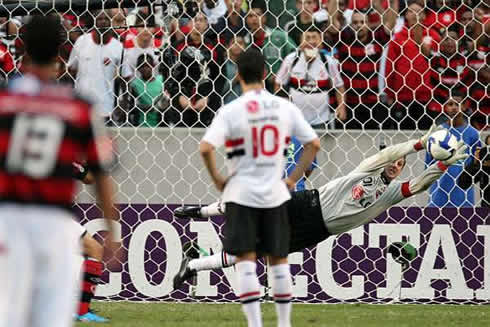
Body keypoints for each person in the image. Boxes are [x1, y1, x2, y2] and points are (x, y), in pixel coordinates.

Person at [173, 127, 468, 287]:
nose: (396, 165)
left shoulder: (390, 192)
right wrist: (418, 145)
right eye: (394, 161)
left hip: (316, 231)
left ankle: (193, 266)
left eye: (401, 165)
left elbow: (418, 186)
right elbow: (390, 153)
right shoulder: (367, 169)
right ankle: (201, 212)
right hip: (306, 204)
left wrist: (442, 164)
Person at [0, 16, 117, 327]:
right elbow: (100, 175)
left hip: (9, 220)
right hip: (53, 223)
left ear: (21, 52)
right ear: (61, 55)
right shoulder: (79, 107)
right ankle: (79, 311)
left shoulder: (5, 101)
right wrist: (112, 226)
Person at [197, 48, 320, 327]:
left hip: (241, 195)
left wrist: (217, 178)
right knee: (278, 260)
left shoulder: (230, 110)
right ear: (265, 75)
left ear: (237, 76)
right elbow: (313, 144)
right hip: (275, 195)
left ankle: (255, 324)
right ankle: (284, 323)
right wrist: (291, 179)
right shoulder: (284, 107)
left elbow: (205, 147)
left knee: (245, 260)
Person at [275, 26, 346, 128]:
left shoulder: (328, 61)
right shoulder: (291, 60)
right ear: (300, 42)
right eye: (307, 38)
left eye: (314, 37)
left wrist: (341, 107)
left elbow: (339, 86)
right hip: (296, 120)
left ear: (321, 42)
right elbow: (278, 84)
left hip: (321, 120)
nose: (311, 42)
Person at [425, 90, 482, 207]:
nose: (454, 108)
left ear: (465, 106)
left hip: (463, 196)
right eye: (450, 104)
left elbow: (476, 164)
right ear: (444, 107)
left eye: (457, 104)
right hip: (438, 194)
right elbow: (428, 164)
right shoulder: (437, 132)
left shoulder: (472, 134)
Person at [68, 9, 123, 123]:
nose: (103, 22)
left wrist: (121, 104)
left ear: (111, 21)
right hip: (82, 106)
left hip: (105, 108)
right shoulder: (82, 41)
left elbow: (125, 77)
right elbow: (71, 69)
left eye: (106, 19)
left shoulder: (118, 47)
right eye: (100, 19)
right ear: (94, 21)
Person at [71, 163, 109, 323]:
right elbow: (90, 179)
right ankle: (80, 311)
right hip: (48, 216)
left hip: (15, 215)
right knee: (94, 249)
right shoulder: (61, 150)